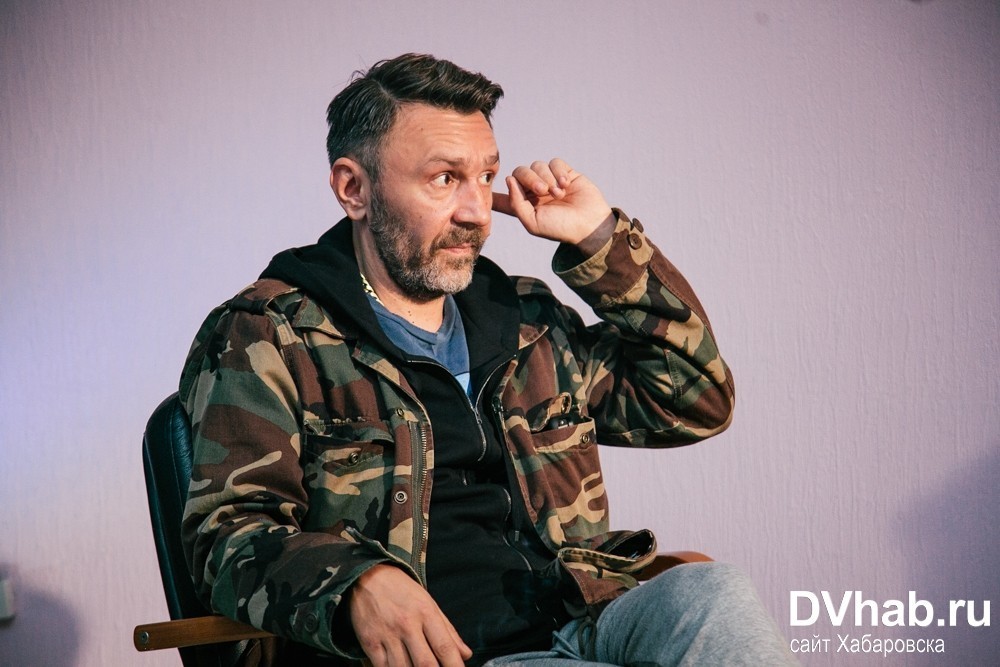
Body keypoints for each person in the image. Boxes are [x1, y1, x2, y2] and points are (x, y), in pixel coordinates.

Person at [179, 53, 794, 666]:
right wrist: (355, 583)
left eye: (485, 176)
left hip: (582, 621)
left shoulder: (526, 319)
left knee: (712, 591)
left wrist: (599, 240)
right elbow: (227, 537)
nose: (477, 212)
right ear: (354, 189)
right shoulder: (270, 333)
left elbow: (694, 400)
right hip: (450, 654)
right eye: (445, 178)